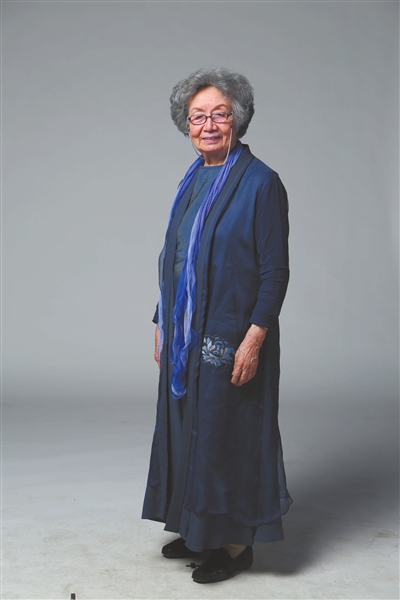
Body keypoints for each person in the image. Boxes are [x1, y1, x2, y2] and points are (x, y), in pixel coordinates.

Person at [142, 67, 292, 584]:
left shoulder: (261, 183)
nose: (208, 125)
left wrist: (255, 336)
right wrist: (162, 318)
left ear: (238, 119)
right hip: (186, 330)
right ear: (186, 125)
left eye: (219, 115)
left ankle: (234, 544)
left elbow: (275, 271)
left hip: (231, 333)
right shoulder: (192, 178)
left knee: (226, 437)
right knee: (190, 432)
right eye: (197, 117)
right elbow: (178, 257)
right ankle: (197, 527)